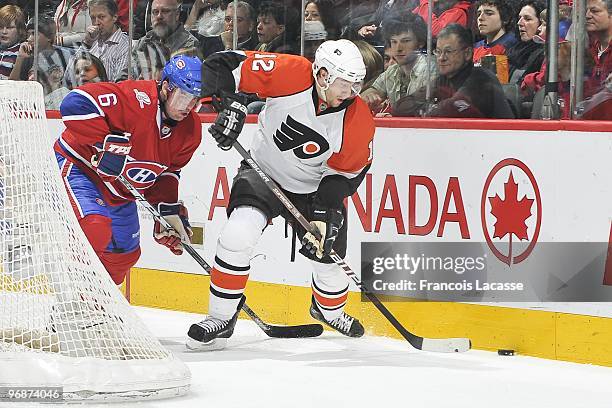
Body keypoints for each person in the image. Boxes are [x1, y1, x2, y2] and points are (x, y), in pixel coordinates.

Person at [187, 39, 375, 350]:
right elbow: (222, 64)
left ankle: (329, 310)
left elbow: (346, 174)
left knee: (329, 259)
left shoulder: (358, 119)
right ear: (323, 74)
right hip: (263, 171)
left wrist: (324, 213)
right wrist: (231, 104)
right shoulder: (291, 73)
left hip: (315, 189)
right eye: (345, 84)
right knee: (237, 236)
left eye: (356, 85)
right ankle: (220, 317)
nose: (351, 93)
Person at [55, 55, 203, 285]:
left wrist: (166, 210)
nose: (189, 108)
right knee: (94, 226)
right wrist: (105, 141)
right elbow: (75, 103)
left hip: (119, 189)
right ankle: (67, 307)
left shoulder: (191, 131)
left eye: (195, 100)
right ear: (166, 87)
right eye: (184, 97)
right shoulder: (136, 99)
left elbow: (166, 172)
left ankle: (93, 309)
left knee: (124, 255)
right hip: (82, 167)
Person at [360, 13, 436, 114]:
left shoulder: (432, 68)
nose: (398, 48)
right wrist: (370, 96)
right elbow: (370, 92)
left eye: (406, 41)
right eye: (394, 42)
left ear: (420, 43)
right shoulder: (393, 71)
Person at [78, 0, 129, 82]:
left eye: (101, 17)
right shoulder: (91, 41)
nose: (96, 22)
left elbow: (119, 85)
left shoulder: (126, 46)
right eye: (93, 18)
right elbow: (70, 74)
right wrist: (86, 43)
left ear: (114, 17)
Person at [135, 0, 200, 54]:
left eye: (165, 11)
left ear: (177, 14)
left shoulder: (189, 45)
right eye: (155, 12)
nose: (159, 16)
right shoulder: (145, 42)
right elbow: (131, 68)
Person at [506, 0, 545, 85]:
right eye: (519, 18)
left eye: (527, 19)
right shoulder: (512, 50)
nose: (519, 23)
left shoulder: (543, 55)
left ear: (541, 23)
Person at [0, 5, 26, 80]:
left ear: (19, 30)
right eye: (1, 27)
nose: (4, 32)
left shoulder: (21, 52)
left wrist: (20, 58)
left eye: (9, 28)